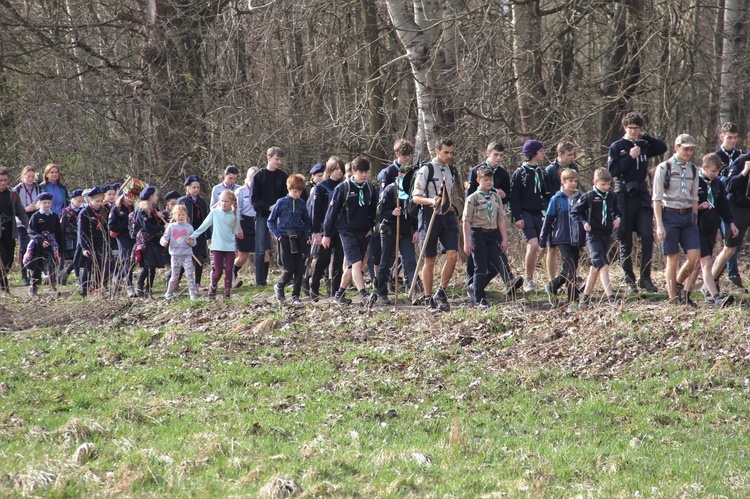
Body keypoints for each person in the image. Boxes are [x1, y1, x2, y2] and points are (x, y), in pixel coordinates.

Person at [608, 112, 668, 294]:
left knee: (647, 235)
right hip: (623, 194)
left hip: (641, 195)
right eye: (630, 128)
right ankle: (629, 280)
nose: (633, 131)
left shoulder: (643, 145)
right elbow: (613, 170)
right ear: (625, 128)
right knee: (625, 237)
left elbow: (662, 147)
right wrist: (630, 157)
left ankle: (646, 278)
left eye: (636, 128)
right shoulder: (617, 146)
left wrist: (644, 137)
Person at [465, 140, 522, 297]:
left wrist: (502, 195)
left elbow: (506, 198)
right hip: (477, 220)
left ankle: (507, 279)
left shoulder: (503, 173)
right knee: (476, 258)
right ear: (487, 154)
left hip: (493, 219)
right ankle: (471, 284)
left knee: (497, 252)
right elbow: (469, 195)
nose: (498, 158)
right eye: (495, 155)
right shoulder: (476, 170)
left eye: (501, 156)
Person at [412, 138, 460, 312]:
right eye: (446, 152)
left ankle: (441, 291)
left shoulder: (451, 170)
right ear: (437, 151)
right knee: (430, 259)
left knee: (453, 256)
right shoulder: (426, 169)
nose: (449, 156)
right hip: (428, 215)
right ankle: (427, 297)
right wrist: (431, 200)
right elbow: (415, 197)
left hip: (447, 216)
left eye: (451, 152)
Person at [322, 156, 378, 307]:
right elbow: (331, 213)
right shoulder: (343, 188)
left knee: (351, 266)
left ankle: (338, 295)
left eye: (366, 172)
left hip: (363, 230)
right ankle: (364, 295)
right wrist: (326, 234)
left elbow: (372, 211)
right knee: (357, 263)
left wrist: (371, 228)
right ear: (353, 171)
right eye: (360, 172)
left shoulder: (370, 188)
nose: (364, 175)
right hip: (346, 230)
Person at [652, 134, 701, 306]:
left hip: (687, 215)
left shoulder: (694, 170)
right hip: (669, 215)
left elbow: (694, 197)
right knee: (672, 257)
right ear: (676, 147)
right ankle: (672, 298)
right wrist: (659, 224)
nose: (688, 152)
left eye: (691, 150)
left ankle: (679, 284)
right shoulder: (664, 168)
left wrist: (694, 219)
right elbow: (657, 198)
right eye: (685, 149)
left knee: (694, 257)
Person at [683, 153, 736, 308]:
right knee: (706, 263)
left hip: (710, 228)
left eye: (718, 171)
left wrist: (731, 223)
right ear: (704, 167)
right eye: (713, 171)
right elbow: (685, 202)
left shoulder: (717, 183)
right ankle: (716, 297)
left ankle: (685, 293)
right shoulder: (694, 180)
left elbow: (723, 206)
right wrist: (699, 206)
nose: (716, 174)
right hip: (695, 227)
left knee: (698, 264)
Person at [569, 168, 622, 310]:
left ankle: (584, 299)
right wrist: (584, 222)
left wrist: (618, 218)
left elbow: (617, 210)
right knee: (603, 265)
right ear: (595, 182)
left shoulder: (612, 196)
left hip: (606, 234)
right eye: (603, 184)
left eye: (608, 184)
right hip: (593, 235)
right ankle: (612, 298)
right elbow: (575, 213)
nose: (606, 187)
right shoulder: (589, 196)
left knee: (595, 268)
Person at [462, 166, 510, 308]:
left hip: (492, 234)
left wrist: (504, 238)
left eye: (491, 180)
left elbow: (500, 218)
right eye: (486, 180)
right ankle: (479, 299)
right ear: (478, 180)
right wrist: (466, 241)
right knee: (480, 267)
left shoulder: (495, 197)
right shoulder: (473, 198)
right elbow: (466, 221)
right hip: (478, 234)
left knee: (496, 266)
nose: (489, 183)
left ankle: (475, 286)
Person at [509, 139, 550, 292]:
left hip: (540, 213)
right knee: (532, 245)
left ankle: (550, 280)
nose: (543, 153)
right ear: (533, 153)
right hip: (525, 213)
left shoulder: (541, 172)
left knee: (545, 247)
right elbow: (515, 197)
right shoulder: (520, 173)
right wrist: (517, 217)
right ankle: (528, 280)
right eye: (540, 151)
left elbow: (546, 193)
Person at [540, 168, 585, 306]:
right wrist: (543, 241)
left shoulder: (580, 198)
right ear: (563, 182)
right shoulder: (556, 199)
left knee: (569, 268)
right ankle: (573, 299)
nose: (573, 184)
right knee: (571, 267)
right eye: (570, 181)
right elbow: (548, 221)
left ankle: (553, 285)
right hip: (562, 237)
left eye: (575, 181)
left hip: (576, 239)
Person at [375, 164, 418, 304]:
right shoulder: (390, 190)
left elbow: (415, 213)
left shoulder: (413, 191)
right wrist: (391, 213)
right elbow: (379, 211)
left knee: (410, 261)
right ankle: (381, 292)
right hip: (389, 229)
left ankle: (414, 291)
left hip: (406, 231)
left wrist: (416, 230)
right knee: (385, 261)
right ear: (400, 175)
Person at [268, 174, 313, 305]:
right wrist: (279, 236)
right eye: (295, 191)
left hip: (299, 237)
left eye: (299, 191)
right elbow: (271, 221)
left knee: (300, 268)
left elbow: (307, 221)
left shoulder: (302, 203)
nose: (297, 194)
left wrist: (306, 234)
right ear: (289, 189)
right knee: (289, 268)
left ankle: (295, 295)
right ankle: (280, 286)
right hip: (285, 237)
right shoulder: (281, 202)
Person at [189, 189, 243, 299]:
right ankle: (213, 287)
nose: (223, 203)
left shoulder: (235, 215)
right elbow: (204, 226)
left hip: (229, 247)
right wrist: (193, 236)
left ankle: (227, 294)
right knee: (218, 272)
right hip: (217, 246)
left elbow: (233, 233)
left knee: (229, 270)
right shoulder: (215, 212)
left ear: (232, 202)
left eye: (226, 201)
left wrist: (235, 247)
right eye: (222, 201)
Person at [309, 156, 346, 301]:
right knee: (323, 259)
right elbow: (315, 213)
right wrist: (317, 232)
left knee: (338, 261)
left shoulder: (345, 186)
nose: (339, 172)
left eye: (341, 169)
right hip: (325, 229)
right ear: (330, 170)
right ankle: (314, 286)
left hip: (341, 229)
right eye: (336, 169)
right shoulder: (321, 187)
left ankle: (336, 292)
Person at [714, 122, 745, 291]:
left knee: (734, 243)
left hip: (737, 203)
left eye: (735, 138)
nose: (732, 141)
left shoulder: (741, 155)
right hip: (720, 203)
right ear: (722, 137)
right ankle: (729, 276)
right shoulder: (716, 156)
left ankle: (724, 275)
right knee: (729, 242)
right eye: (729, 138)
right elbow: (717, 180)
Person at [252, 147, 288, 286]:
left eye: (280, 160)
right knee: (261, 248)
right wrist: (268, 207)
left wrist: (279, 208)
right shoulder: (259, 176)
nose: (279, 162)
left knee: (284, 245)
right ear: (269, 158)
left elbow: (286, 196)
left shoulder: (282, 176)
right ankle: (260, 280)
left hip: (280, 217)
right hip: (262, 215)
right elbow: (254, 200)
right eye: (276, 159)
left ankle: (287, 276)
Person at [544, 141, 579, 283]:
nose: (572, 157)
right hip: (554, 212)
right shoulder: (550, 170)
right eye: (569, 154)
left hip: (569, 213)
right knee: (552, 248)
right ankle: (552, 279)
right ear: (560, 155)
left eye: (573, 154)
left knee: (573, 250)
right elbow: (545, 193)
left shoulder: (574, 167)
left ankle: (573, 278)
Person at [24, 192, 63, 297]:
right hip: (38, 244)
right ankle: (33, 286)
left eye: (49, 203)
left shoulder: (54, 216)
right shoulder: (36, 216)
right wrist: (41, 241)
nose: (47, 205)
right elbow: (32, 231)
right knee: (37, 265)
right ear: (40, 203)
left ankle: (52, 286)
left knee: (51, 264)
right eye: (44, 203)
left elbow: (58, 231)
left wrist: (60, 245)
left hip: (51, 243)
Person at [133, 186, 167, 297]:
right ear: (150, 197)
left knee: (153, 266)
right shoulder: (142, 210)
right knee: (148, 265)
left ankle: (149, 288)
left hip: (155, 240)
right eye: (155, 195)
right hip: (146, 240)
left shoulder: (154, 208)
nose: (157, 197)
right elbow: (148, 227)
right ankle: (140, 284)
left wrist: (162, 219)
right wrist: (162, 228)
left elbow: (158, 222)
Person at [0, 168, 29, 294]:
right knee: (3, 259)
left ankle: (4, 286)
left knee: (9, 261)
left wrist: (29, 227)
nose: (3, 183)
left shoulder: (13, 194)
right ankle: (5, 289)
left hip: (9, 231)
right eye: (0, 180)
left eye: (5, 180)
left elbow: (21, 212)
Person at [77, 186, 110, 297]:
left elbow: (105, 227)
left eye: (101, 201)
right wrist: (84, 247)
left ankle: (97, 286)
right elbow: (81, 232)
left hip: (100, 242)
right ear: (90, 200)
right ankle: (84, 288)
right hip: (88, 242)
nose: (99, 203)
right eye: (97, 201)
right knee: (88, 266)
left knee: (100, 265)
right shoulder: (84, 212)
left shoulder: (104, 211)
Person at [178, 175, 210, 289]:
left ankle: (197, 283)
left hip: (199, 233)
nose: (196, 190)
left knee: (200, 257)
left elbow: (206, 219)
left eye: (198, 187)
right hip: (187, 232)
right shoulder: (182, 201)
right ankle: (175, 279)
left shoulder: (201, 202)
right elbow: (177, 217)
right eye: (194, 187)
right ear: (188, 188)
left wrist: (208, 236)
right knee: (185, 258)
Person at [161, 204, 197, 300]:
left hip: (187, 255)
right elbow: (164, 237)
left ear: (186, 216)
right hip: (175, 255)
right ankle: (169, 292)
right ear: (174, 215)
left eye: (183, 214)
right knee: (175, 276)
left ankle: (192, 294)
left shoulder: (189, 227)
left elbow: (194, 242)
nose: (180, 217)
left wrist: (191, 242)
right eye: (178, 215)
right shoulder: (171, 227)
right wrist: (164, 242)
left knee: (189, 274)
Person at [108, 187, 138, 296]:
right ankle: (129, 286)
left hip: (133, 238)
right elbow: (112, 226)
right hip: (122, 237)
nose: (131, 199)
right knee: (127, 260)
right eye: (128, 196)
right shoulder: (116, 209)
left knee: (134, 260)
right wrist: (127, 226)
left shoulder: (135, 208)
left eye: (133, 196)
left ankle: (118, 277)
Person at [14, 166, 40, 286]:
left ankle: (35, 274)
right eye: (27, 176)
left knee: (35, 248)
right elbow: (13, 209)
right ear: (23, 177)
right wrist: (26, 209)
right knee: (23, 248)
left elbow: (43, 201)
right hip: (21, 223)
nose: (30, 179)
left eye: (32, 176)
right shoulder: (16, 190)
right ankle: (24, 275)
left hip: (35, 221)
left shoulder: (39, 188)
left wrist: (36, 207)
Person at [233, 167, 258, 288]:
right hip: (244, 222)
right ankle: (231, 273)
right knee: (243, 255)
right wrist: (238, 227)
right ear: (248, 177)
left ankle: (261, 279)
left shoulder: (260, 190)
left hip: (257, 221)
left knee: (264, 251)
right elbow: (236, 210)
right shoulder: (241, 191)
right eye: (253, 177)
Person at [59, 189, 85, 286]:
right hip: (69, 237)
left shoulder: (83, 211)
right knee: (75, 256)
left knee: (78, 256)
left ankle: (68, 272)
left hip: (80, 236)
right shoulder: (66, 211)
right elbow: (62, 227)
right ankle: (76, 276)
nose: (80, 203)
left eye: (82, 201)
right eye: (78, 201)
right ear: (72, 200)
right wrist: (61, 241)